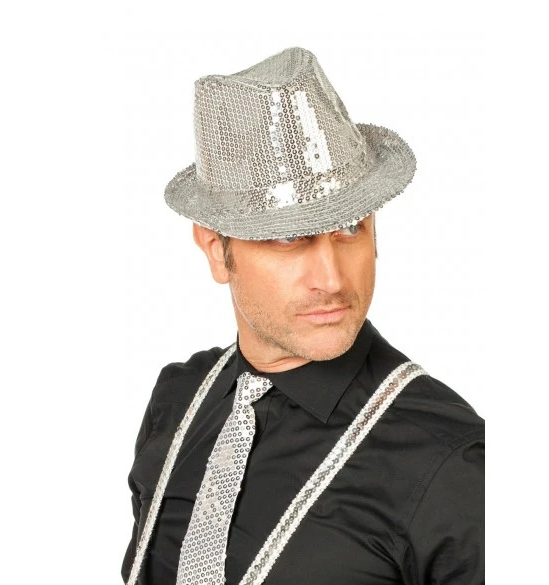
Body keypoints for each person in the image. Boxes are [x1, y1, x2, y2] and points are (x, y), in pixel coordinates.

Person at [122, 46, 485, 585]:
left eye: (351, 228)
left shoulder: (449, 458)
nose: (332, 279)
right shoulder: (179, 400)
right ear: (217, 249)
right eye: (289, 237)